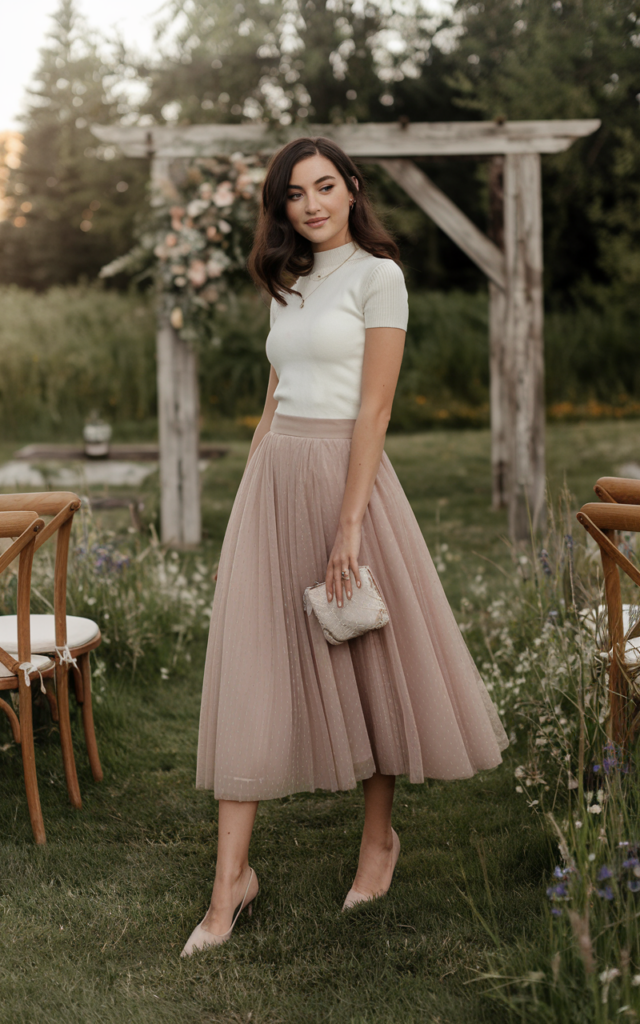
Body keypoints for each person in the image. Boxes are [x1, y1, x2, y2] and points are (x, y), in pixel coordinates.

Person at [181, 136, 508, 957]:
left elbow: (374, 410)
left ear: (353, 189)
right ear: (282, 206)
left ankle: (379, 842)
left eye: (326, 186)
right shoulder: (288, 282)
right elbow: (274, 390)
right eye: (296, 194)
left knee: (367, 658)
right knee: (255, 665)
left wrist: (349, 524)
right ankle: (230, 886)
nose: (313, 204)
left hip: (346, 481)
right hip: (276, 480)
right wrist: (256, 473)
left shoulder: (379, 277)